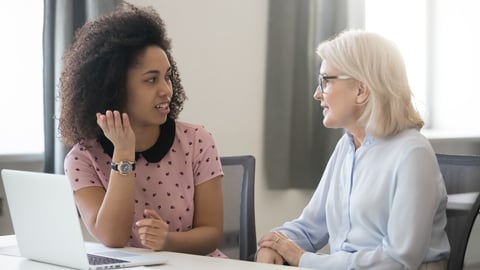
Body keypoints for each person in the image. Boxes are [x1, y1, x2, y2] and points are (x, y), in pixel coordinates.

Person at [255, 29, 450, 269]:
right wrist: (273, 243)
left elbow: (398, 260)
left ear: (360, 90)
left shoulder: (413, 153)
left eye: (325, 81)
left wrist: (303, 259)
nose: (317, 94)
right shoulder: (347, 147)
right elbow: (310, 227)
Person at [58, 3, 225, 257]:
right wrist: (124, 153)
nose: (166, 90)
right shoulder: (81, 160)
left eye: (167, 77)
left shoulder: (197, 141)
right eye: (151, 80)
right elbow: (112, 237)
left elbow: (211, 233)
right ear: (115, 88)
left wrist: (167, 241)